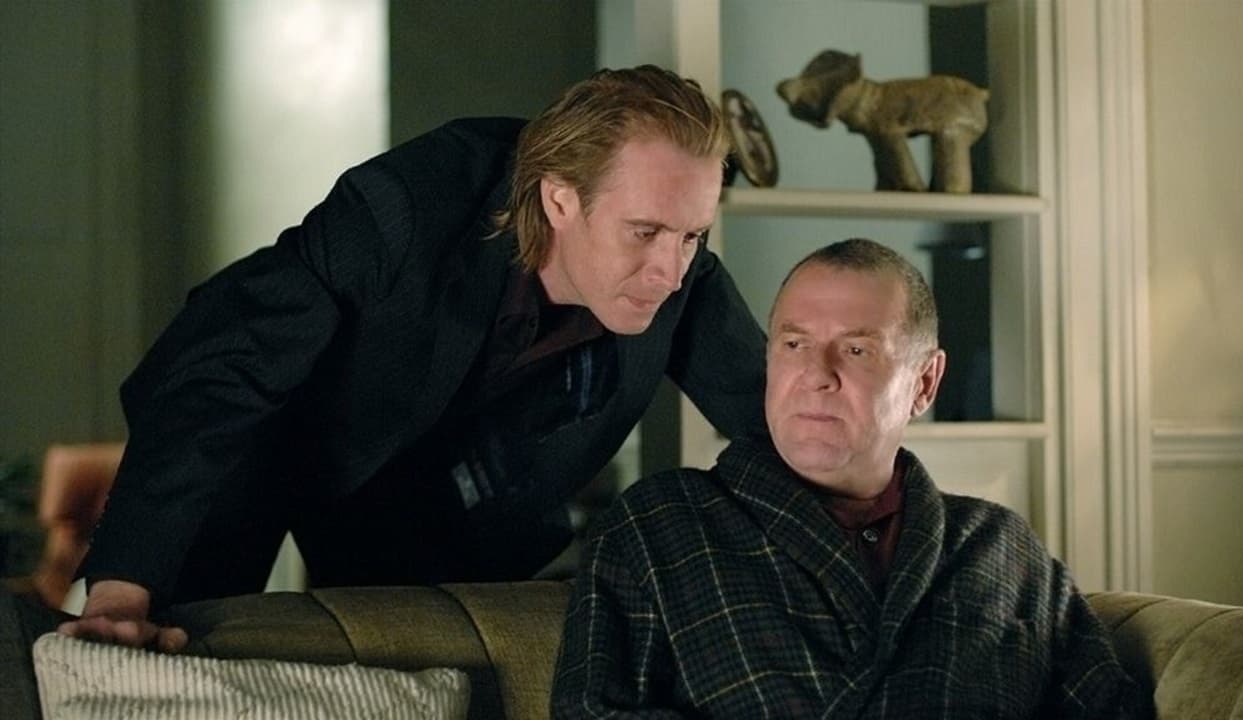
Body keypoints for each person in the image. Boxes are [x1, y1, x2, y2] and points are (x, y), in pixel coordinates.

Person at [57, 65, 767, 652]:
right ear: (559, 199)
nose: (669, 272)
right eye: (643, 232)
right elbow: (226, 378)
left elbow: (781, 419)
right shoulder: (404, 208)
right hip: (262, 434)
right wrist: (124, 584)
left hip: (438, 499)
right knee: (173, 637)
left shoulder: (680, 272)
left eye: (691, 236)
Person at [552, 238, 1146, 718]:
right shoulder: (660, 525)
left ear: (925, 383)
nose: (816, 374)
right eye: (793, 344)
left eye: (857, 350)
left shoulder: (1002, 549)